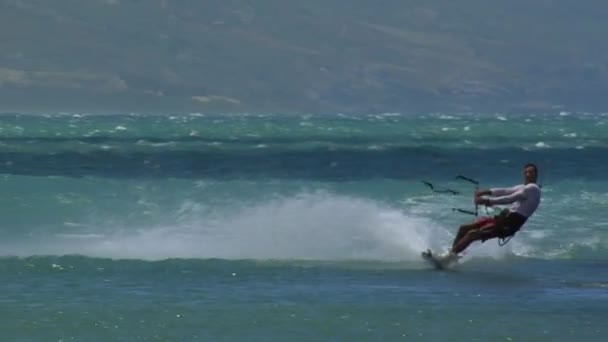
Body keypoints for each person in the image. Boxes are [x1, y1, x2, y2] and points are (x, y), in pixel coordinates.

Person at [443, 163, 542, 261]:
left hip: (510, 224)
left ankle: (449, 257)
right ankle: (452, 254)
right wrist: (484, 192)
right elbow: (505, 191)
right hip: (502, 219)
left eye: (531, 172)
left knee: (472, 234)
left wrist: (488, 201)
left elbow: (511, 198)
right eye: (526, 172)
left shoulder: (533, 188)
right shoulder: (523, 187)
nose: (528, 174)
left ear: (536, 174)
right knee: (463, 228)